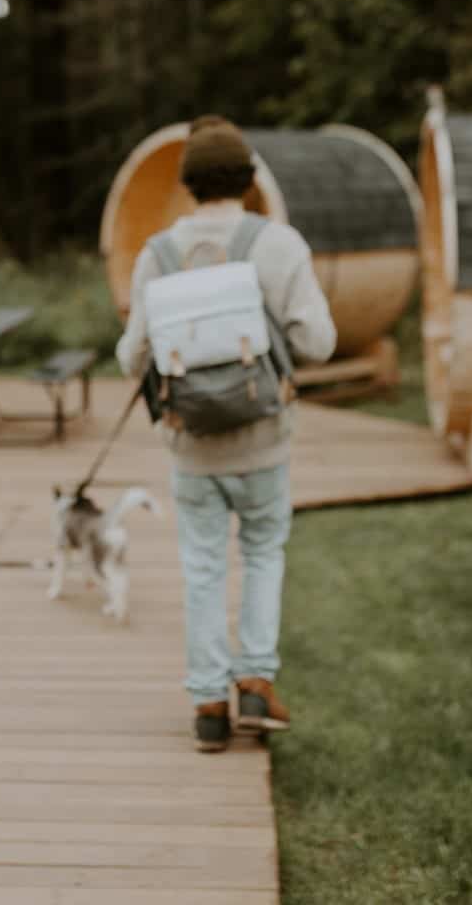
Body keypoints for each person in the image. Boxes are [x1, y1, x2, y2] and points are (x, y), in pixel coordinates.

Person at [116, 115, 336, 753]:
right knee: (264, 554)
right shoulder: (280, 244)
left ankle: (209, 703)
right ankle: (257, 686)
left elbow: (133, 359)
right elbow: (316, 342)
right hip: (265, 437)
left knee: (205, 568)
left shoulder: (156, 254)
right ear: (247, 180)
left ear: (188, 184)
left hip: (192, 448)